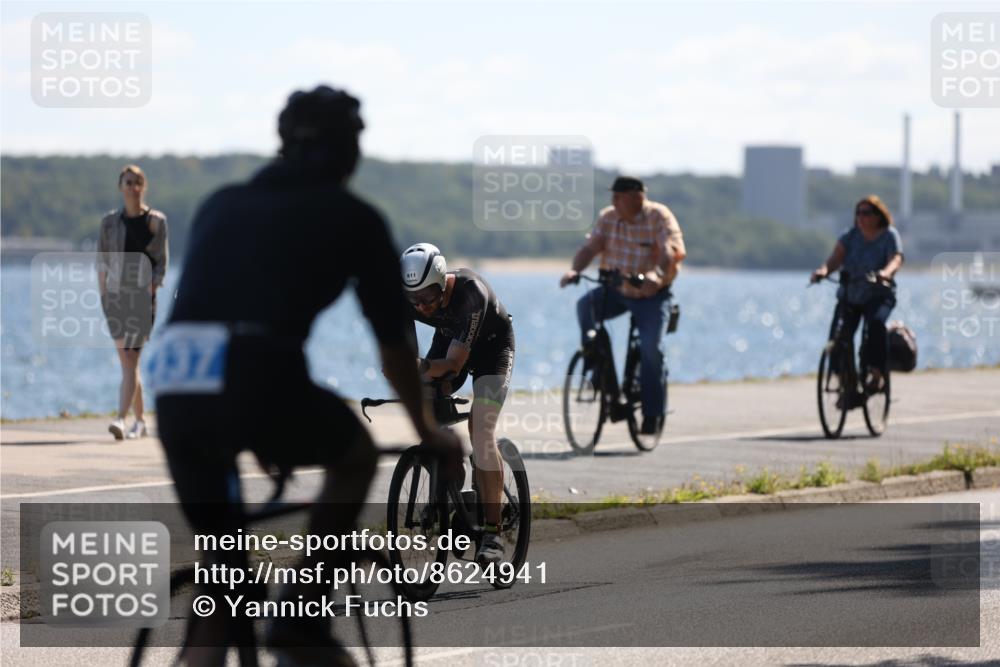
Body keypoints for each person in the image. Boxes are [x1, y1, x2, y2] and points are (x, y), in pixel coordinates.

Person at [152, 86, 461, 667]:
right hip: (256, 374)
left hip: (177, 385)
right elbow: (394, 343)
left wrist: (258, 421)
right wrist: (428, 429)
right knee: (356, 456)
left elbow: (211, 308)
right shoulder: (355, 217)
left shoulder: (222, 202)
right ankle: (299, 615)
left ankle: (211, 638)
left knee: (222, 579)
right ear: (350, 153)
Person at [399, 243, 515, 566]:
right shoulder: (409, 298)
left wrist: (417, 368)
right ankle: (451, 483)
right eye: (414, 299)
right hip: (454, 339)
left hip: (492, 351)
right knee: (428, 404)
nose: (421, 307)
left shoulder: (470, 293)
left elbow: (451, 365)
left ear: (442, 282)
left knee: (480, 429)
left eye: (428, 298)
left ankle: (493, 534)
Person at [559, 176, 686, 434]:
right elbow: (590, 247)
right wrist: (574, 270)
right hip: (616, 291)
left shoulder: (658, 216)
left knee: (651, 349)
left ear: (638, 196)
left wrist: (656, 276)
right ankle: (601, 372)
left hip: (652, 295)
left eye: (619, 196)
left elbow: (668, 251)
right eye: (613, 196)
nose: (614, 201)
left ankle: (652, 413)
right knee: (586, 306)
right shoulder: (608, 217)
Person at [97, 164, 168, 440]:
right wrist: (103, 293)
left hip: (142, 298)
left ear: (143, 186)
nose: (132, 187)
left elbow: (162, 261)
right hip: (115, 297)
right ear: (120, 187)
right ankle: (141, 420)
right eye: (128, 182)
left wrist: (152, 287)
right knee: (128, 364)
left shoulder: (156, 221)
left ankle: (120, 419)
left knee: (131, 358)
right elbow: (102, 259)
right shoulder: (109, 222)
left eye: (137, 182)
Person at [811, 195, 903, 394]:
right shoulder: (850, 236)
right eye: (858, 213)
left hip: (878, 295)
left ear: (878, 216)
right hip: (850, 295)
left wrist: (885, 274)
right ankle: (845, 383)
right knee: (838, 336)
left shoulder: (888, 235)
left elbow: (895, 259)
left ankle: (876, 374)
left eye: (866, 213)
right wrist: (823, 272)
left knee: (875, 325)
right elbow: (835, 259)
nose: (861, 217)